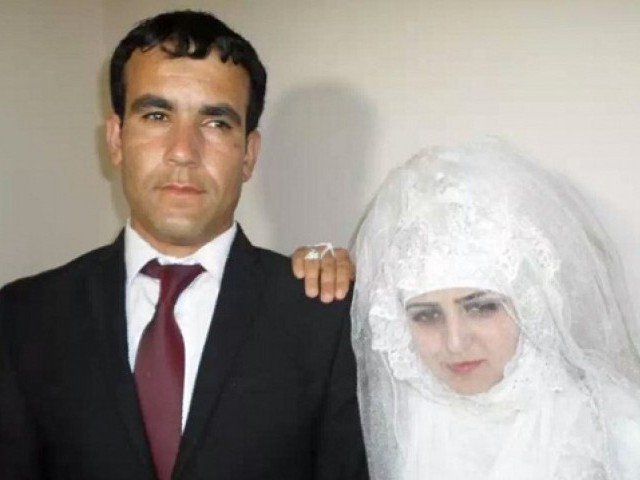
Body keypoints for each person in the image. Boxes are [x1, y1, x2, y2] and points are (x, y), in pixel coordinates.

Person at [0, 10, 368, 480]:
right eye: (156, 116)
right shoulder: (24, 317)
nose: (183, 151)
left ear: (249, 154)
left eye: (216, 123)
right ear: (116, 139)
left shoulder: (325, 317)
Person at [295, 138, 640, 478]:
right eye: (426, 315)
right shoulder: (389, 417)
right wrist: (315, 275)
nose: (455, 342)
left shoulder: (608, 431)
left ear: (531, 303)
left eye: (482, 308)